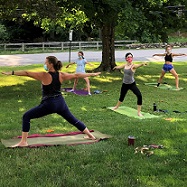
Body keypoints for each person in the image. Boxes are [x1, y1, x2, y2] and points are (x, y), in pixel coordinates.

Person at [2, 56, 101, 147]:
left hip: (49, 104)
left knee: (26, 116)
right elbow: (77, 75)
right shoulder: (61, 75)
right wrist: (93, 74)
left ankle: (23, 142)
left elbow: (27, 73)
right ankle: (90, 136)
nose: (45, 64)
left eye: (46, 63)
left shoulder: (43, 75)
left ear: (51, 64)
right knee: (72, 120)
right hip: (60, 102)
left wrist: (11, 73)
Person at [113, 52, 147, 116]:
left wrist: (142, 64)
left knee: (139, 95)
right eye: (128, 57)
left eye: (131, 57)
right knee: (122, 96)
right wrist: (115, 67)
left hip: (132, 84)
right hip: (124, 84)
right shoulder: (125, 65)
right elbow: (120, 66)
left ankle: (139, 112)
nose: (130, 58)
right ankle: (116, 107)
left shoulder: (133, 66)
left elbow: (138, 65)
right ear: (126, 58)